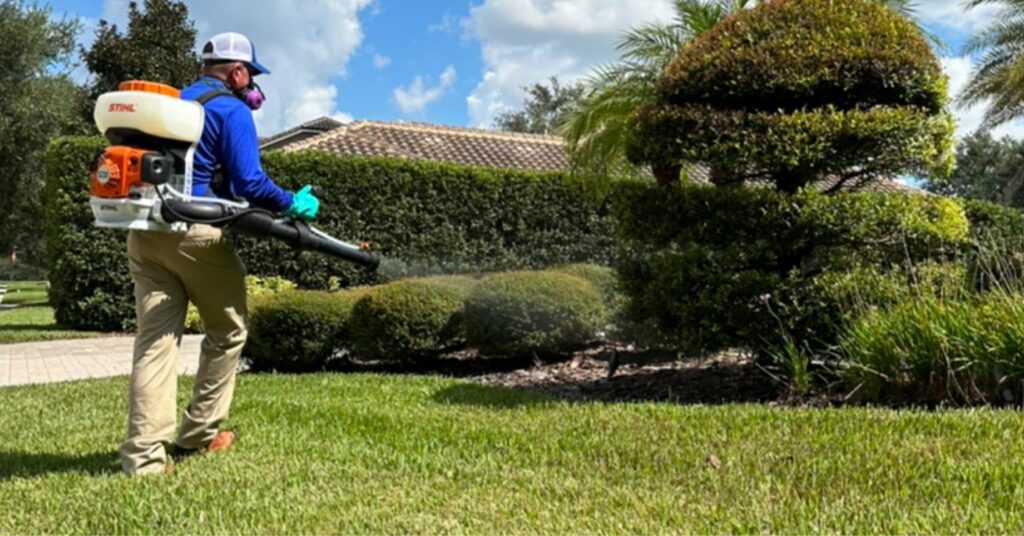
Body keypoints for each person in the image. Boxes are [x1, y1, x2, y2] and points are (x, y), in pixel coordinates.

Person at [119, 32, 320, 475]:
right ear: (236, 72)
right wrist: (292, 202)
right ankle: (198, 434)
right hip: (196, 235)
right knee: (227, 332)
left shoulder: (171, 105)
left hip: (145, 231)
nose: (252, 84)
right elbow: (250, 183)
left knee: (155, 342)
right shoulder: (231, 108)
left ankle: (144, 459)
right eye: (250, 75)